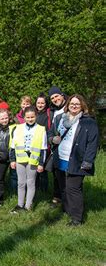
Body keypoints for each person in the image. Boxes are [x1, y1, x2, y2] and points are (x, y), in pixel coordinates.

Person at [49, 94, 98, 226]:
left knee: (73, 188)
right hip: (60, 158)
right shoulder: (60, 118)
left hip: (77, 160)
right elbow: (50, 133)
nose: (74, 106)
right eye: (72, 104)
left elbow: (92, 143)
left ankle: (76, 218)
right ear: (67, 105)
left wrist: (87, 161)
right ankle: (67, 210)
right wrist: (53, 139)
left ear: (82, 105)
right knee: (63, 187)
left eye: (77, 104)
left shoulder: (88, 121)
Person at [10, 107, 47, 213]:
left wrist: (41, 164)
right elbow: (13, 145)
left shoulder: (41, 129)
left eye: (32, 117)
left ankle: (28, 206)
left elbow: (43, 148)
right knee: (21, 183)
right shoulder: (18, 128)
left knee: (30, 182)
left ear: (36, 116)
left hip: (33, 160)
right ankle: (19, 204)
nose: (30, 119)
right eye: (28, 117)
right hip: (20, 159)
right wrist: (12, 159)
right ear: (24, 117)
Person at [48, 86, 68, 206]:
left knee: (68, 176)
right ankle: (58, 197)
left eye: (56, 96)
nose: (55, 99)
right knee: (57, 174)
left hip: (69, 147)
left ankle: (68, 200)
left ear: (62, 95)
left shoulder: (69, 107)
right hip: (56, 147)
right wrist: (52, 139)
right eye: (52, 98)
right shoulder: (53, 111)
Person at [35, 93, 52, 192]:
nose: (40, 105)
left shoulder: (48, 114)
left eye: (42, 103)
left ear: (46, 104)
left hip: (45, 145)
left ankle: (44, 191)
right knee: (34, 169)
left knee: (43, 170)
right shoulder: (34, 113)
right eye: (38, 103)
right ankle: (36, 189)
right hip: (34, 145)